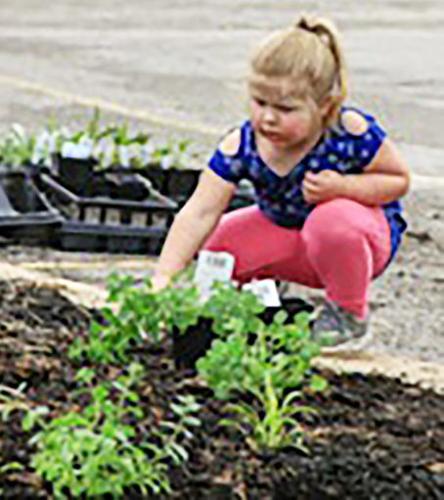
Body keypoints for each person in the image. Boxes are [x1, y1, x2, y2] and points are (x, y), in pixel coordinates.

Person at [152, 15, 410, 351]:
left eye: (286, 109)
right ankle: (261, 304)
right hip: (289, 234)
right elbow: (199, 212)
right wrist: (164, 279)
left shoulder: (348, 130)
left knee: (332, 222)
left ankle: (348, 315)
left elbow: (398, 179)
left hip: (358, 241)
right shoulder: (242, 143)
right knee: (218, 245)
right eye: (260, 103)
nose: (268, 118)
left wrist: (344, 188)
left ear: (324, 106)